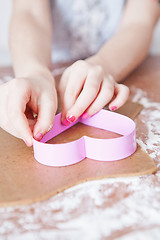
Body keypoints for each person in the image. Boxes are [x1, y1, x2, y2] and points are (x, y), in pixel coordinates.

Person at [0, 0, 159, 147]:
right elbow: (29, 12)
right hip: (50, 63)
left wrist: (106, 64)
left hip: (121, 61)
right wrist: (34, 72)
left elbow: (140, 21)